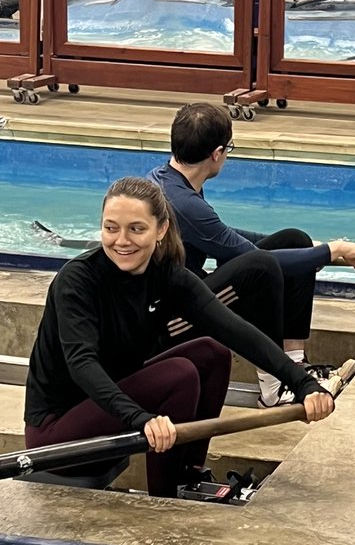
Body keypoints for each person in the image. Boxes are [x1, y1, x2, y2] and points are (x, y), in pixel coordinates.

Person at [24, 176, 333, 498]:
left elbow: (235, 330)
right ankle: (167, 496)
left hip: (110, 415)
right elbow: (81, 363)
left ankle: (189, 477)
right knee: (179, 374)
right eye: (111, 228)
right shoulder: (77, 280)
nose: (122, 240)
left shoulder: (166, 275)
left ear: (160, 230)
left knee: (212, 353)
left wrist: (303, 384)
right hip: (56, 437)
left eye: (136, 229)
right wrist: (141, 419)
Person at [148, 103, 355, 407]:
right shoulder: (184, 204)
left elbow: (228, 239)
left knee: (295, 241)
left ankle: (294, 365)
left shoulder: (169, 179)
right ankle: (273, 388)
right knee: (261, 268)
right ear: (217, 153)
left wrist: (321, 249)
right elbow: (258, 260)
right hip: (171, 320)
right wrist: (332, 250)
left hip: (188, 292)